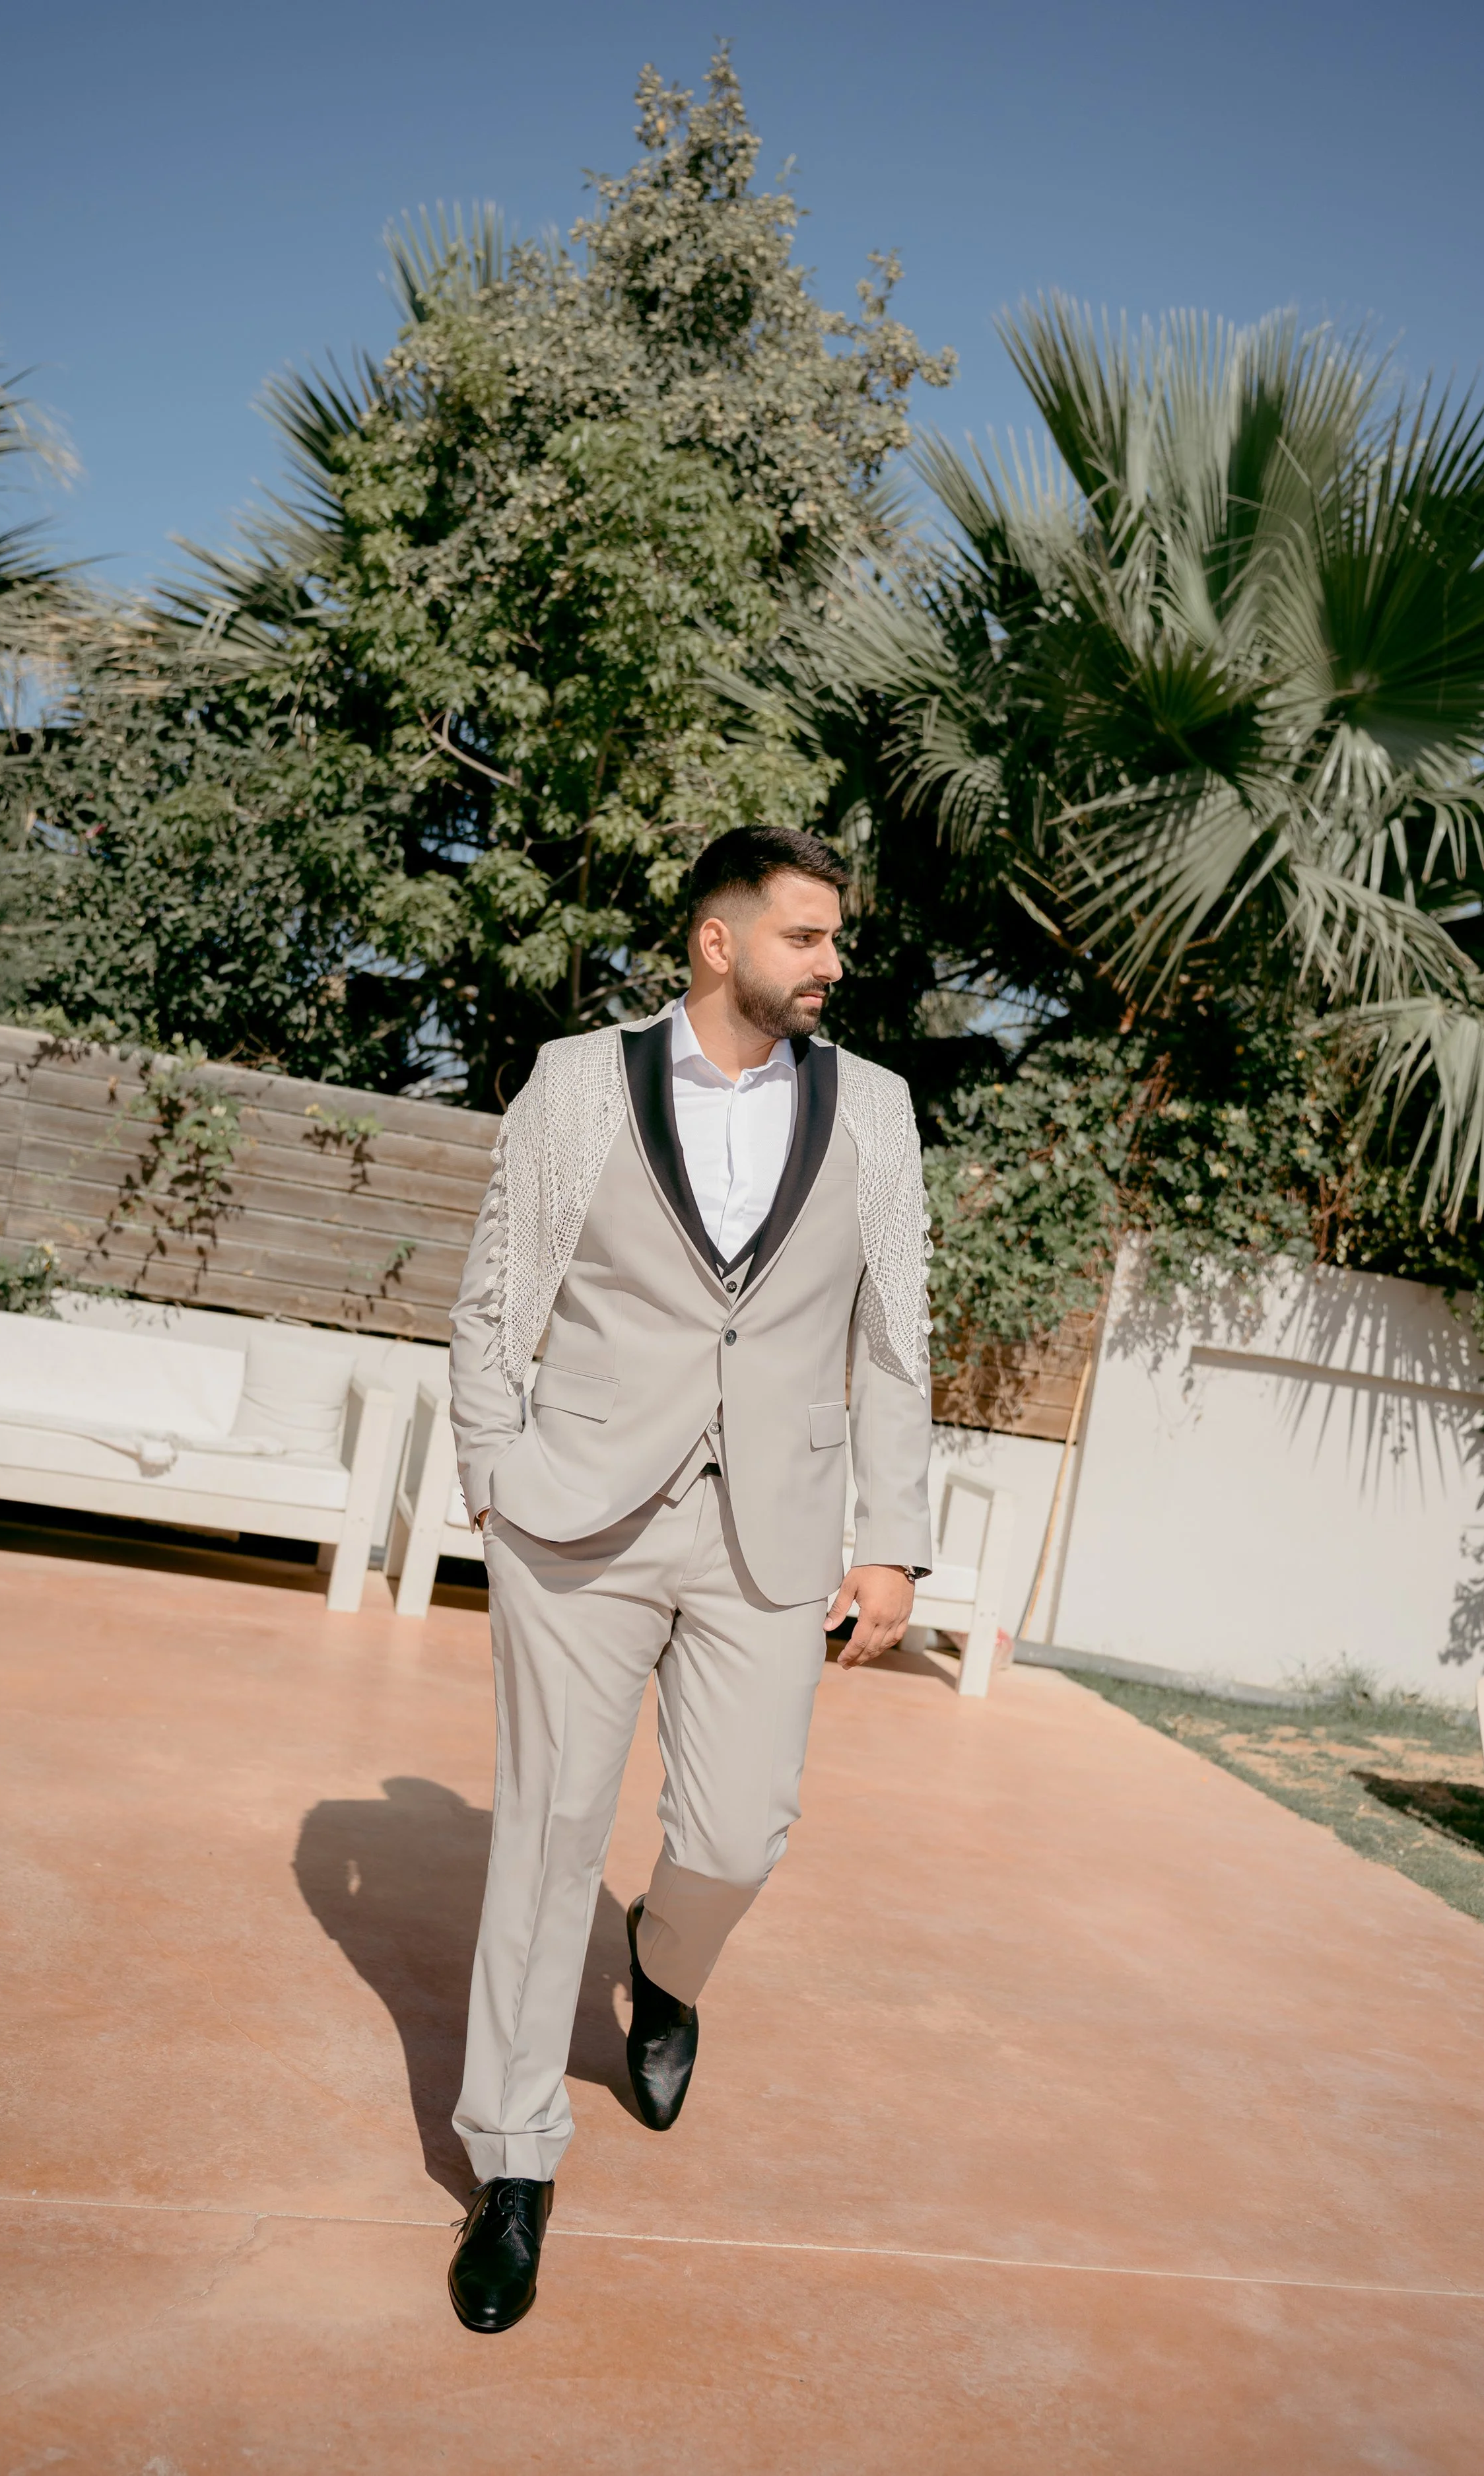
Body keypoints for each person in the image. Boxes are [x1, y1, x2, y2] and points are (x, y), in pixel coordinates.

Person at [444, 824, 933, 2332]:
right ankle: (512, 2162)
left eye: (835, 938)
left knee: (737, 1832)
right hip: (577, 1517)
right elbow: (494, 1297)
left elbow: (894, 1336)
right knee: (546, 1837)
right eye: (805, 936)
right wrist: (494, 1477)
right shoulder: (576, 1082)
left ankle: (665, 1969)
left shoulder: (874, 1108)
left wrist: (891, 1537)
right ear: (718, 942)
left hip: (771, 1531)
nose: (830, 963)